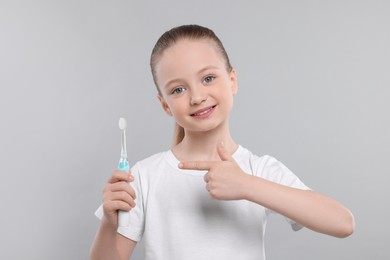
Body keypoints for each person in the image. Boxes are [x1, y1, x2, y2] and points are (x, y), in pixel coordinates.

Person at [89, 24, 355, 260]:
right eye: (178, 89)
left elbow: (342, 223)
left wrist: (247, 186)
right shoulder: (144, 177)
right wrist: (109, 224)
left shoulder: (257, 170)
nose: (197, 97)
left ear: (232, 80)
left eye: (208, 78)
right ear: (165, 105)